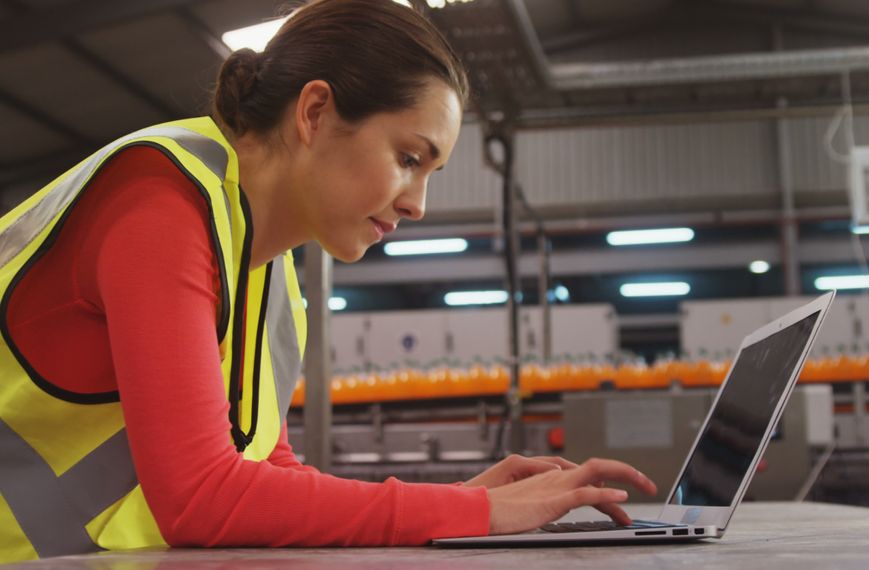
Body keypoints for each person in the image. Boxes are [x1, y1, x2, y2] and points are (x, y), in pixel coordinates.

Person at [0, 0, 656, 563]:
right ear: (314, 112)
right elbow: (200, 498)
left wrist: (458, 502)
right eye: (408, 159)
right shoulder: (160, 206)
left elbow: (265, 475)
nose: (417, 204)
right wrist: (476, 513)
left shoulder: (272, 276)